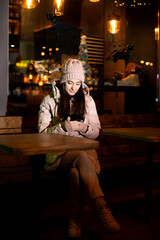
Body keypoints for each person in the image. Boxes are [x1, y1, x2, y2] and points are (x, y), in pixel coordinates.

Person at [38, 59, 121, 238]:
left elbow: (96, 132)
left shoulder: (88, 100)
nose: (73, 87)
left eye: (77, 83)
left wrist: (83, 128)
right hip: (60, 155)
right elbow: (42, 135)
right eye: (69, 82)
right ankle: (102, 207)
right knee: (81, 156)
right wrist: (63, 128)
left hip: (84, 157)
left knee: (76, 172)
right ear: (63, 81)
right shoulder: (49, 100)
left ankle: (75, 219)